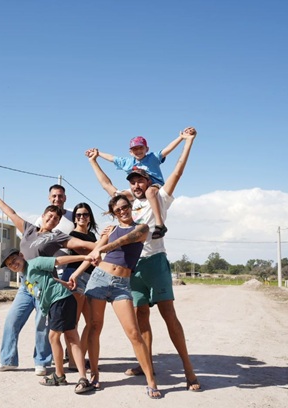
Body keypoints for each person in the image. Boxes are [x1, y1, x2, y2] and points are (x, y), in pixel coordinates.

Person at [85, 129, 202, 392]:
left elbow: (178, 171)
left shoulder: (159, 197)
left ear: (149, 181)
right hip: (133, 268)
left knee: (169, 316)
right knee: (141, 318)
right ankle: (145, 363)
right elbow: (106, 185)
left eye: (141, 181)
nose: (137, 186)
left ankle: (189, 370)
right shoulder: (126, 205)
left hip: (156, 261)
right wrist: (93, 161)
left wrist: (188, 142)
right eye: (133, 182)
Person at [0, 188, 99, 376]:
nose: (52, 220)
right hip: (26, 285)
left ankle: (41, 362)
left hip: (45, 285)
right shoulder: (29, 229)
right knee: (12, 320)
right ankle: (8, 360)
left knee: (42, 324)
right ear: (43, 216)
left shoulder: (57, 236)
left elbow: (81, 244)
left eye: (56, 219)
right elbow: (12, 214)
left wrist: (103, 245)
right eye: (49, 216)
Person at [69, 195, 161, 398]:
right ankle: (94, 374)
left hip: (122, 284)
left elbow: (123, 241)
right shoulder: (109, 230)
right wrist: (75, 274)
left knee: (134, 333)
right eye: (117, 210)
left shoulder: (142, 228)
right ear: (113, 213)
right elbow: (93, 254)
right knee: (94, 327)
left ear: (130, 207)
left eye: (124, 207)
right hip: (99, 279)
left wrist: (102, 248)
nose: (122, 211)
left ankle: (151, 381)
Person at [0, 247, 95, 394]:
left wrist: (84, 258)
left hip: (59, 300)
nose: (13, 264)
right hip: (62, 300)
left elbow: (58, 261)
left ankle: (60, 375)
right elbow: (48, 280)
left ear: (21, 255)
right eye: (9, 264)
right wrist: (65, 284)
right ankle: (82, 378)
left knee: (54, 337)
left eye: (14, 260)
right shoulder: (25, 276)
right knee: (71, 337)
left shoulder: (35, 263)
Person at [90, 128, 195, 239]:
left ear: (146, 149)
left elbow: (169, 152)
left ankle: (159, 224)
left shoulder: (152, 158)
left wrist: (182, 138)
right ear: (130, 152)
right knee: (120, 197)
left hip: (155, 186)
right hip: (134, 242)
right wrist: (97, 155)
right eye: (135, 149)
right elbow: (111, 164)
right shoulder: (128, 162)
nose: (138, 151)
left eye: (141, 148)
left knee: (149, 192)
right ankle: (120, 223)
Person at [61, 202, 98, 370]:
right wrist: (101, 248)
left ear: (90, 217)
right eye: (78, 215)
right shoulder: (72, 235)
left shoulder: (92, 236)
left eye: (85, 214)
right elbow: (89, 255)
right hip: (74, 278)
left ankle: (79, 357)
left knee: (91, 322)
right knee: (73, 322)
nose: (82, 217)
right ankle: (73, 361)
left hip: (90, 280)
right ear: (74, 218)